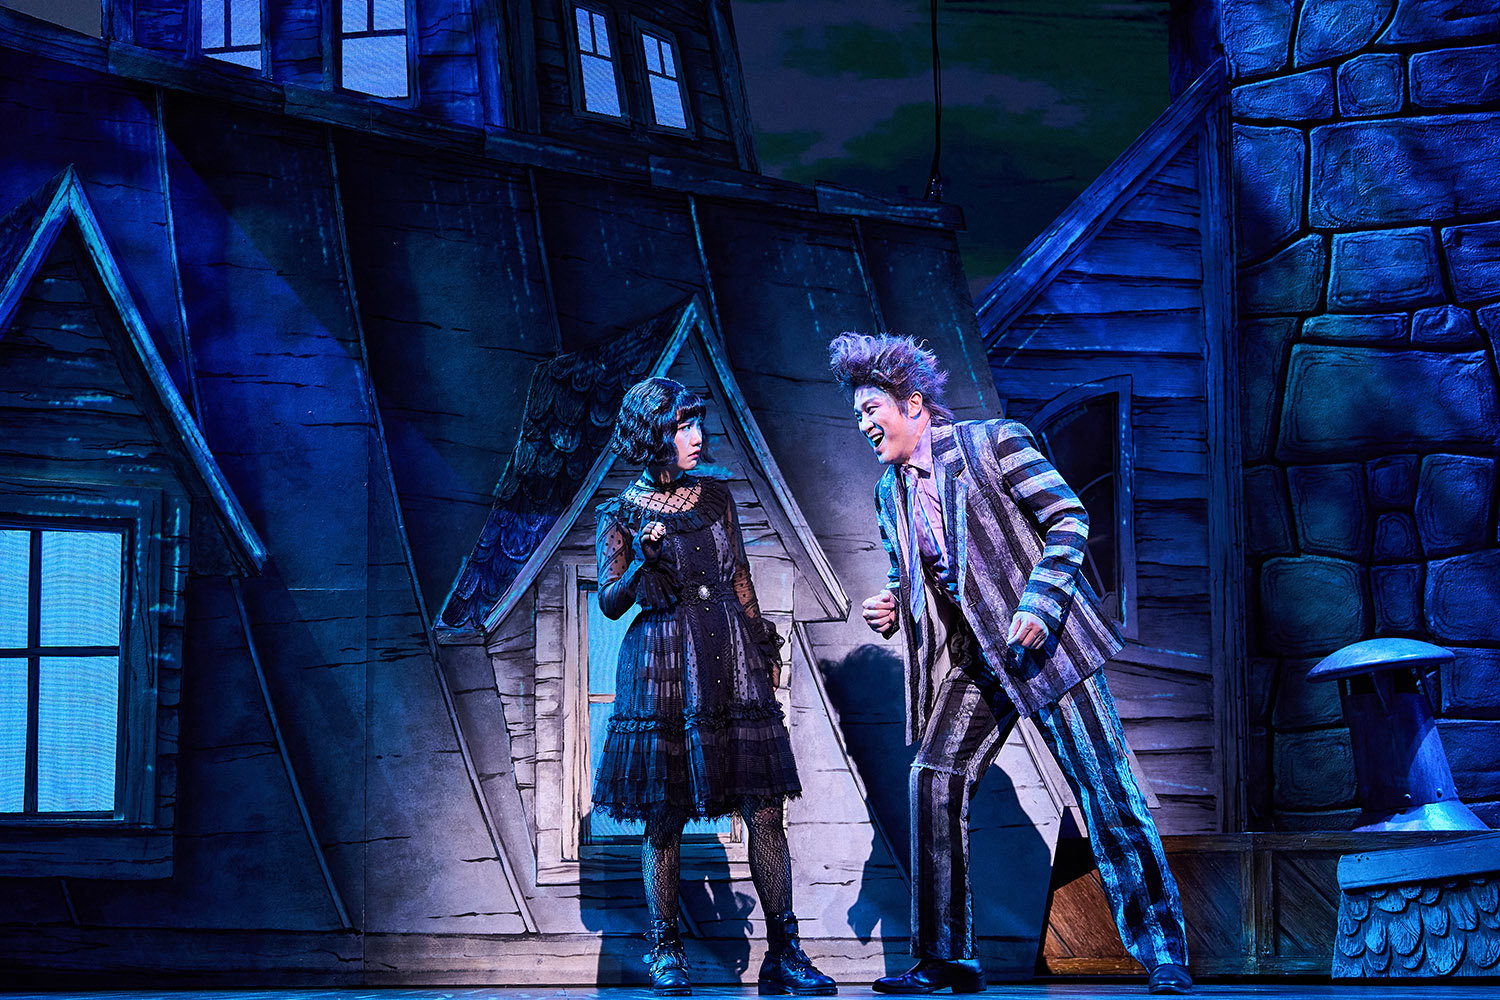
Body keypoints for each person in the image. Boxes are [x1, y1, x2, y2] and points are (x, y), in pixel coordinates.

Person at [828, 334, 1192, 996]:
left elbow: (1069, 520)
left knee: (1106, 792)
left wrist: (1040, 603)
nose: (864, 424)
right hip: (978, 659)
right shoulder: (889, 493)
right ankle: (946, 957)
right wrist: (896, 601)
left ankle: (1163, 950)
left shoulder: (994, 444)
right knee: (934, 777)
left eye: (872, 409)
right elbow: (915, 574)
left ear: (914, 404)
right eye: (857, 415)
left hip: (1048, 648)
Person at [592, 377, 837, 998]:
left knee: (764, 808)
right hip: (663, 664)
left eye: (696, 422)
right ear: (653, 434)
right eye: (682, 426)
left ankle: (785, 952)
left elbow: (741, 577)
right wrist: (643, 560)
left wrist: (762, 647)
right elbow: (611, 602)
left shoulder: (717, 496)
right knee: (664, 813)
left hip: (728, 653)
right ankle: (665, 950)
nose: (696, 436)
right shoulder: (620, 512)